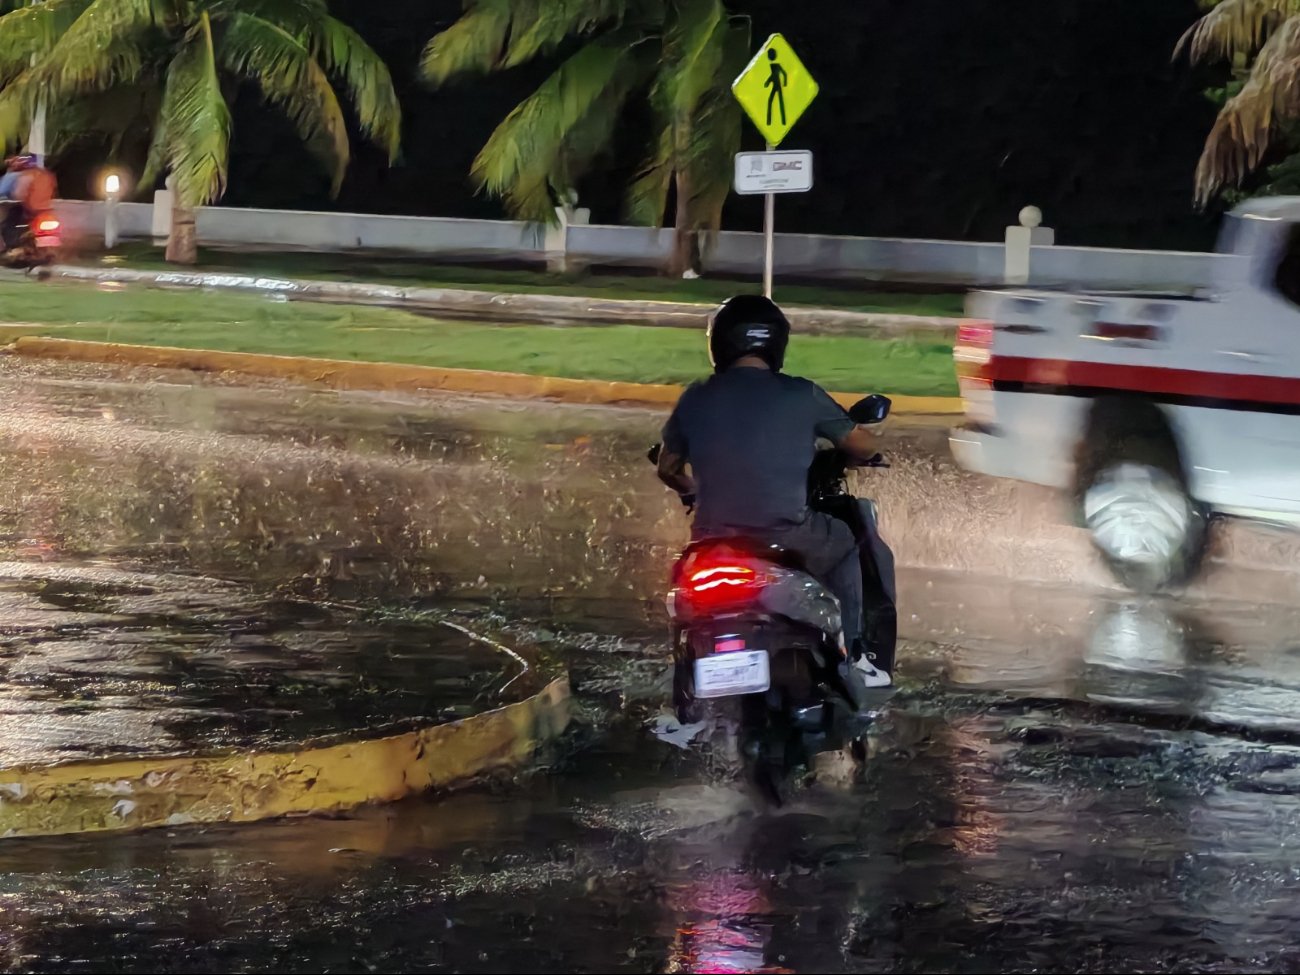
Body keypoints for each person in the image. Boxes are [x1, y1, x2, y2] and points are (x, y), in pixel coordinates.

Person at [655, 294, 887, 681]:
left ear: (719, 344)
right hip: (786, 534)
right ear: (778, 343)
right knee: (846, 542)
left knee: (681, 590)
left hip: (712, 543)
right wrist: (864, 453)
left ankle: (683, 674)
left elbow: (669, 467)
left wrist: (694, 492)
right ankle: (855, 652)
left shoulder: (695, 397)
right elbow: (862, 444)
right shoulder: (801, 394)